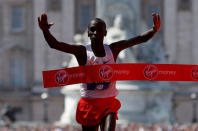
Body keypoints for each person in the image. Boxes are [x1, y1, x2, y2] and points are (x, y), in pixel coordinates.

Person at [38, 13, 161, 131]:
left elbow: (138, 39)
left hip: (108, 104)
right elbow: (55, 45)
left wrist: (154, 30)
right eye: (92, 30)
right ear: (88, 33)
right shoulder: (82, 52)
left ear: (105, 33)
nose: (96, 33)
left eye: (100, 30)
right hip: (89, 105)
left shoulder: (113, 49)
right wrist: (45, 30)